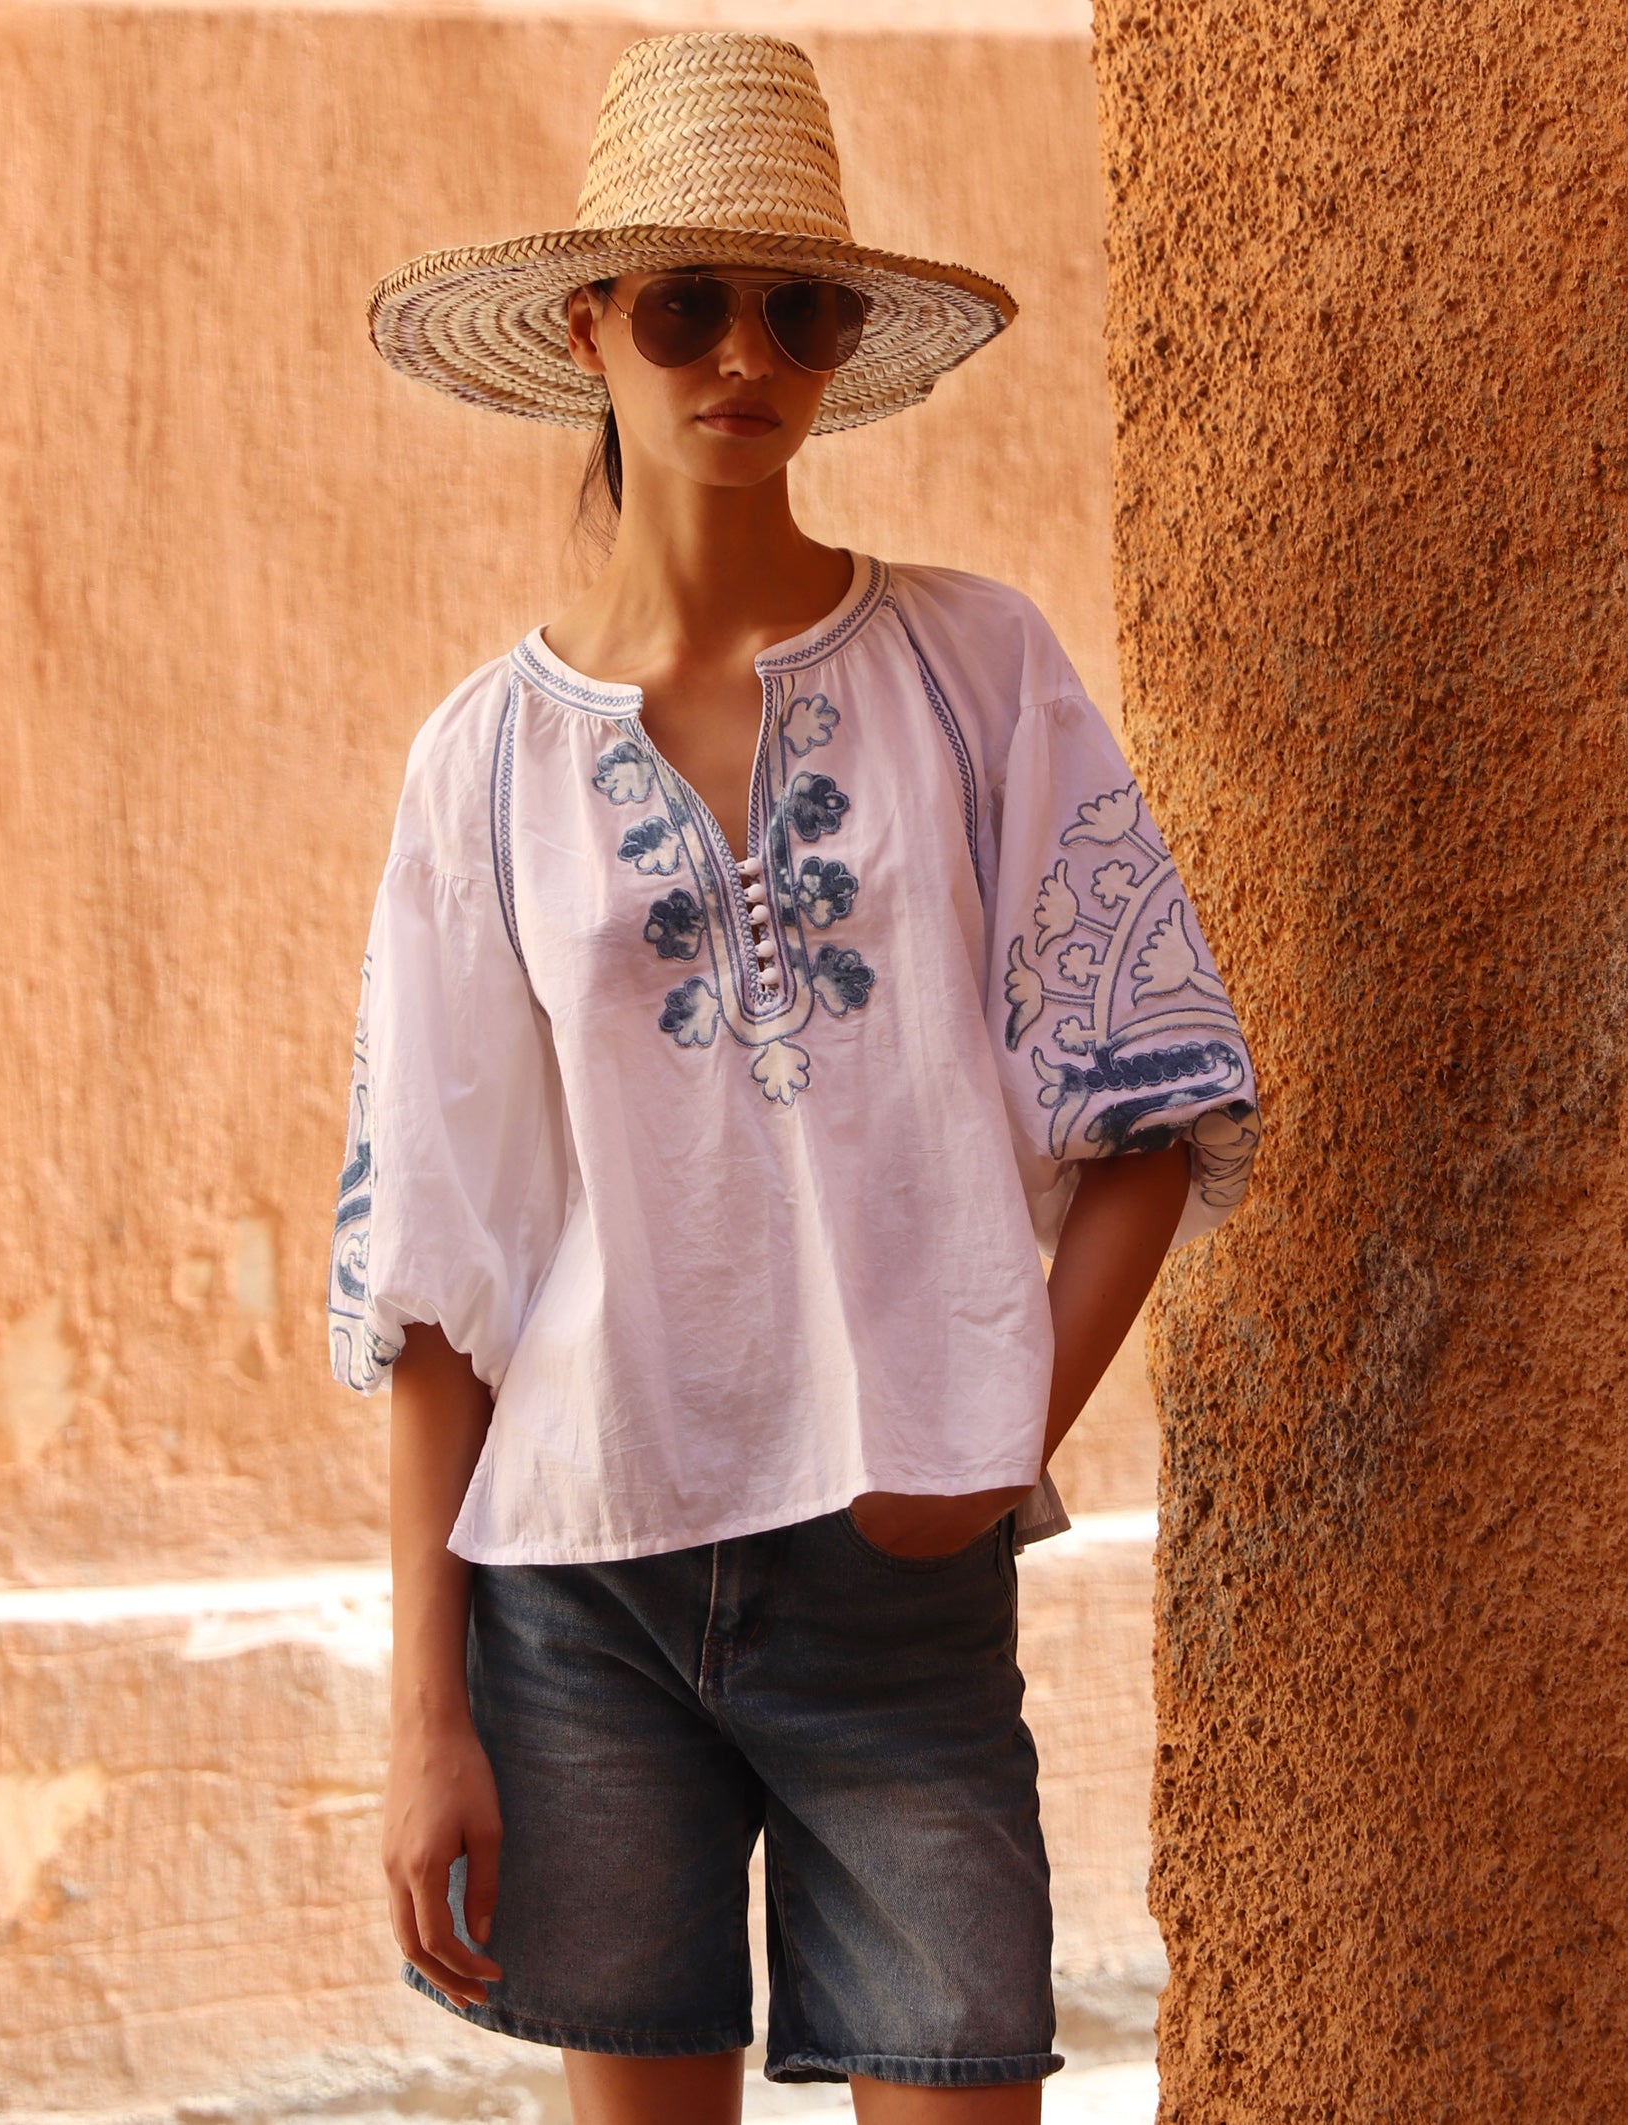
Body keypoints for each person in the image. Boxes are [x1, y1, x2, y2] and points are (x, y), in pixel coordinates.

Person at [330, 32, 1260, 2125]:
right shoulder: (476, 762)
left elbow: (1157, 1100)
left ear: (840, 345)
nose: (739, 354)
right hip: (577, 1586)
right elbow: (432, 1271)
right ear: (590, 331)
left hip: (894, 1569)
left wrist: (995, 1422)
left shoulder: (970, 668)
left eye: (795, 308)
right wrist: (422, 1718)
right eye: (682, 304)